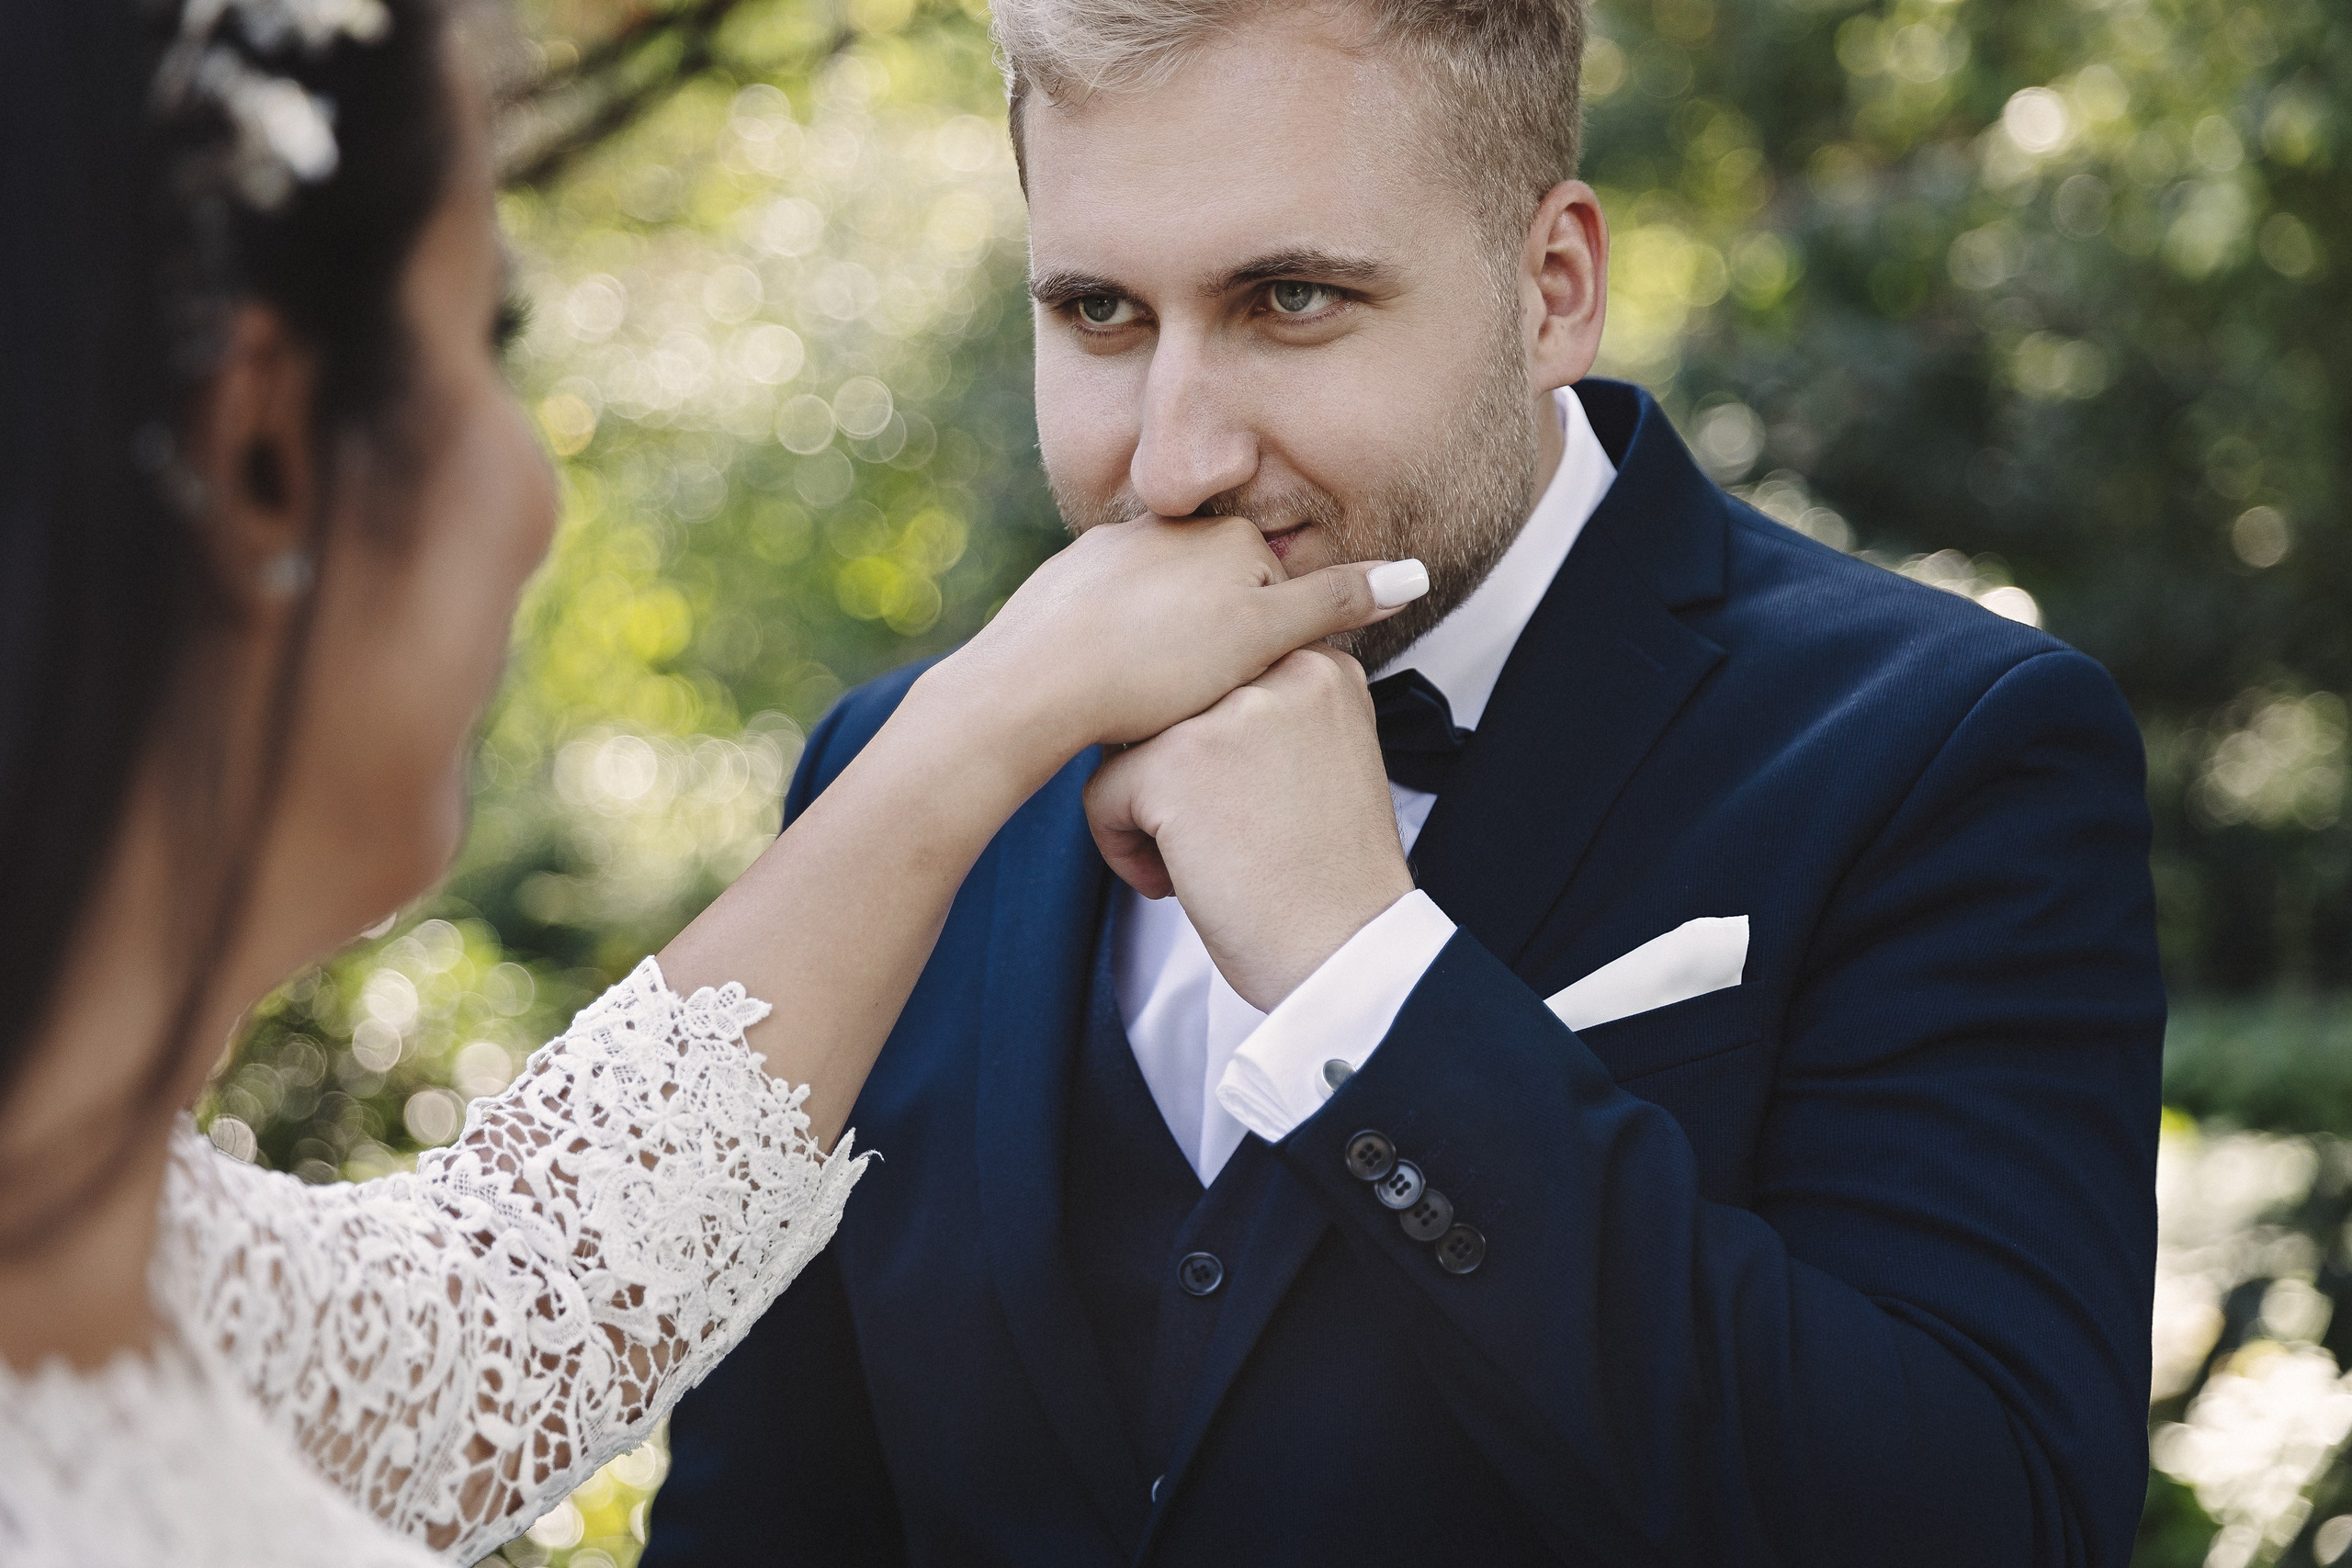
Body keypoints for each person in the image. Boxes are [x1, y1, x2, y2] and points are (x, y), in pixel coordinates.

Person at [650, 0, 2166, 1563]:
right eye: (1100, 311)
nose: (1174, 464)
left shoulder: (1948, 748)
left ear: (1551, 289)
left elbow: (1995, 1523)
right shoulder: (896, 769)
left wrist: (1363, 978)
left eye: (1290, 298)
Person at [0, 1, 1427, 1562]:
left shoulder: (94, 1229)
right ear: (265, 448)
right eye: (489, 342)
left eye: (1290, 296)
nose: (537, 493)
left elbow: (501, 1312)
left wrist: (991, 717)